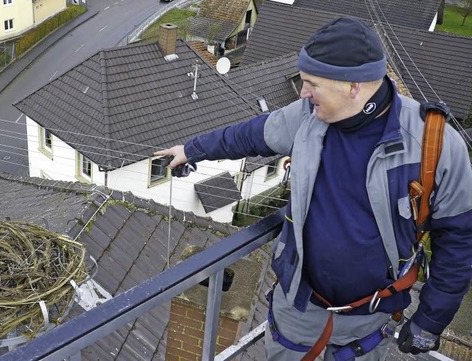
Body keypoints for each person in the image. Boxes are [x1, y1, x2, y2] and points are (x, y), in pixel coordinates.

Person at [155, 17, 472, 360]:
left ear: (353, 86)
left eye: (311, 84)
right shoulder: (308, 117)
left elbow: (460, 240)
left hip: (370, 317)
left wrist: (429, 321)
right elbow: (251, 134)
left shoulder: (434, 145)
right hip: (299, 305)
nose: (303, 92)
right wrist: (191, 150)